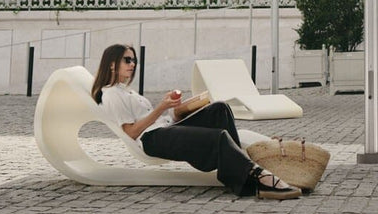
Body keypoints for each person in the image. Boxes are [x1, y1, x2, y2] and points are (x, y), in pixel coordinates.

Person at [90, 43, 299, 200]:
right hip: (152, 139)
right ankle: (256, 177)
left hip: (165, 129)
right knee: (218, 138)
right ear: (111, 63)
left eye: (134, 60)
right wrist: (161, 107)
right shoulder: (110, 94)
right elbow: (131, 132)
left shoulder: (126, 91)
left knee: (219, 109)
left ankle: (242, 165)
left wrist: (178, 109)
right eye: (127, 60)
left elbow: (158, 119)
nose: (133, 64)